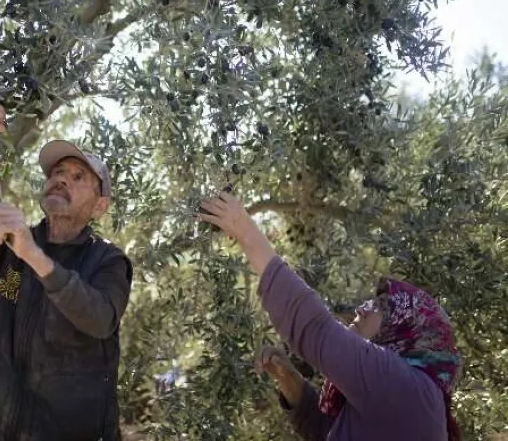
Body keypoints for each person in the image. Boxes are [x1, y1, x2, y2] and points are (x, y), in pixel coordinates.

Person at [198, 189, 462, 441]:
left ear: (404, 329)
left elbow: (317, 330)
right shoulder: (412, 401)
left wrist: (244, 231)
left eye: (379, 306)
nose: (363, 308)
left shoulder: (408, 392)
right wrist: (289, 380)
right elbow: (329, 433)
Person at [0, 102, 133, 440]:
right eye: (57, 172)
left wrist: (34, 256)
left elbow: (100, 318)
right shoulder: (12, 250)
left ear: (100, 206)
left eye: (77, 177)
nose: (60, 179)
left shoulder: (108, 261)